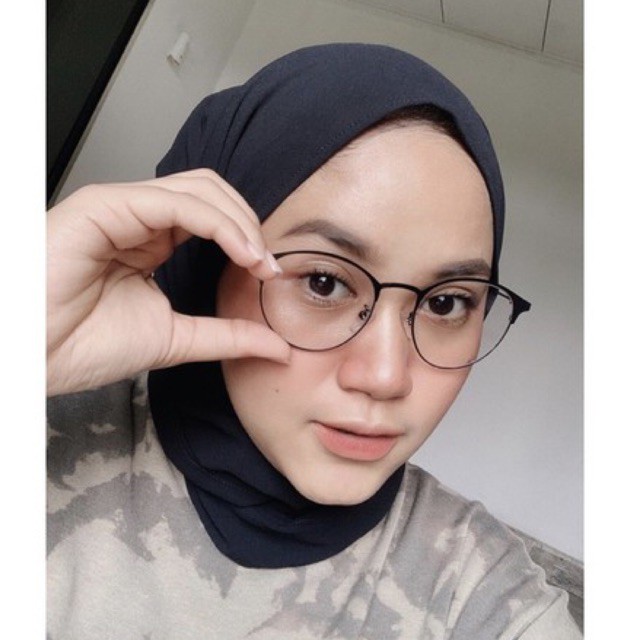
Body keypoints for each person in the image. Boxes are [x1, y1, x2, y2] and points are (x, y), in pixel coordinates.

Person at [47, 43, 581, 638]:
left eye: (446, 303)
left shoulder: (481, 593)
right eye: (324, 282)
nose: (385, 376)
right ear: (205, 266)